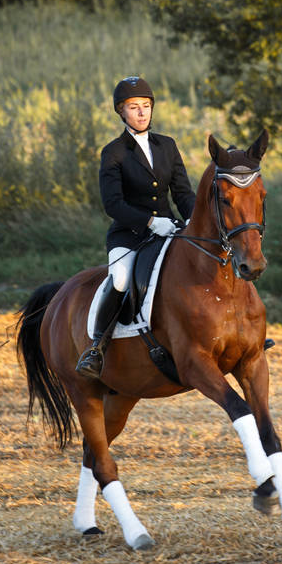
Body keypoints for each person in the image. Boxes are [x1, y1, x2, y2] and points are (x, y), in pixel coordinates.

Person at [76, 76, 196, 378]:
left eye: (146, 105)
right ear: (121, 111)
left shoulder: (167, 145)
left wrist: (193, 220)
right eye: (133, 107)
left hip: (170, 230)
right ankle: (96, 348)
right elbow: (113, 204)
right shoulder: (114, 152)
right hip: (129, 235)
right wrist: (150, 222)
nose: (142, 112)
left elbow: (182, 193)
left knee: (208, 262)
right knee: (119, 279)